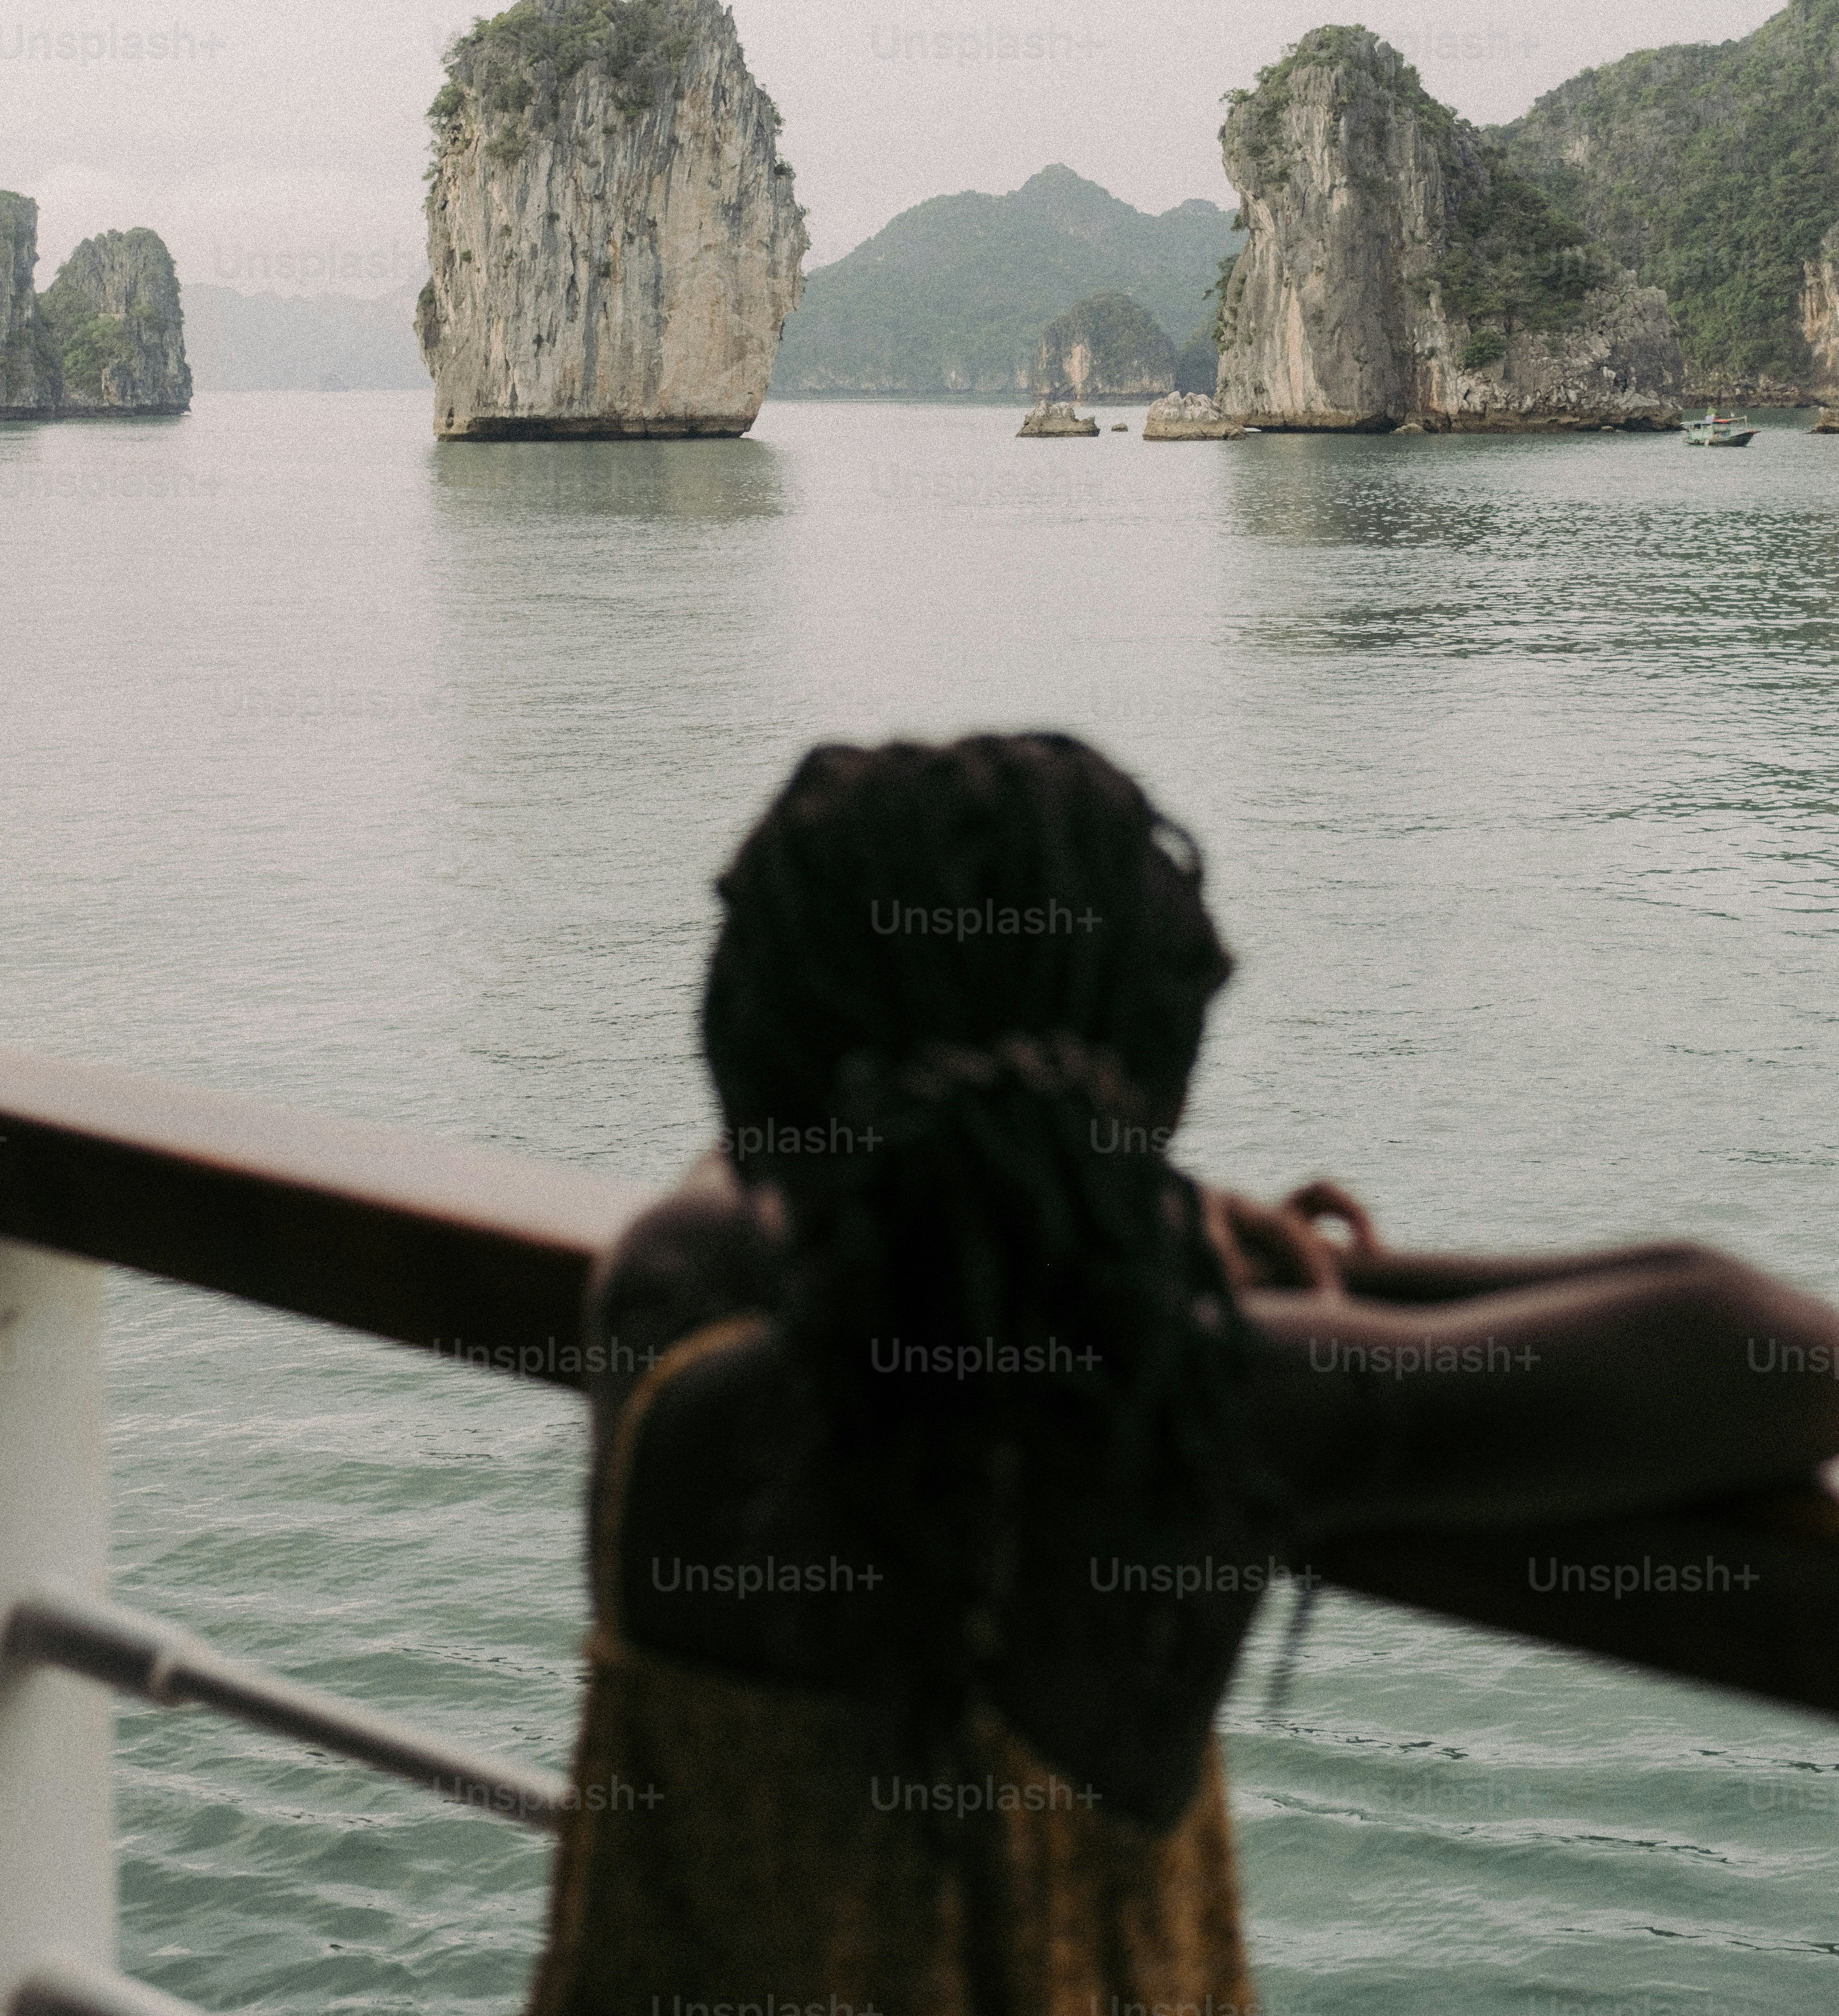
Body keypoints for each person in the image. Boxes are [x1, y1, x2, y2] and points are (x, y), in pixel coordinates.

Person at [531, 734, 1839, 2016]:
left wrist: (1066, 1215)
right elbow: (1767, 1347)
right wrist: (1139, 1239)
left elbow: (755, 1189)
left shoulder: (666, 1315)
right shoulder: (1205, 1401)